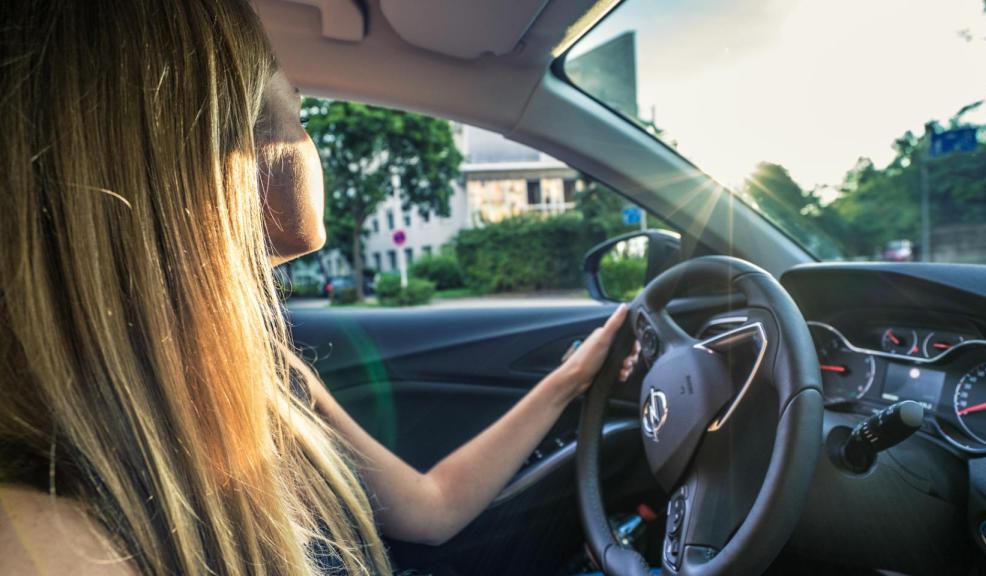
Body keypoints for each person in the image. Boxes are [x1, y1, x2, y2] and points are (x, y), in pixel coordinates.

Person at [0, 1, 638, 575]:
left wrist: (571, 380)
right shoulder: (37, 536)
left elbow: (432, 509)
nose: (308, 142)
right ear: (214, 160)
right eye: (297, 106)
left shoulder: (268, 375)